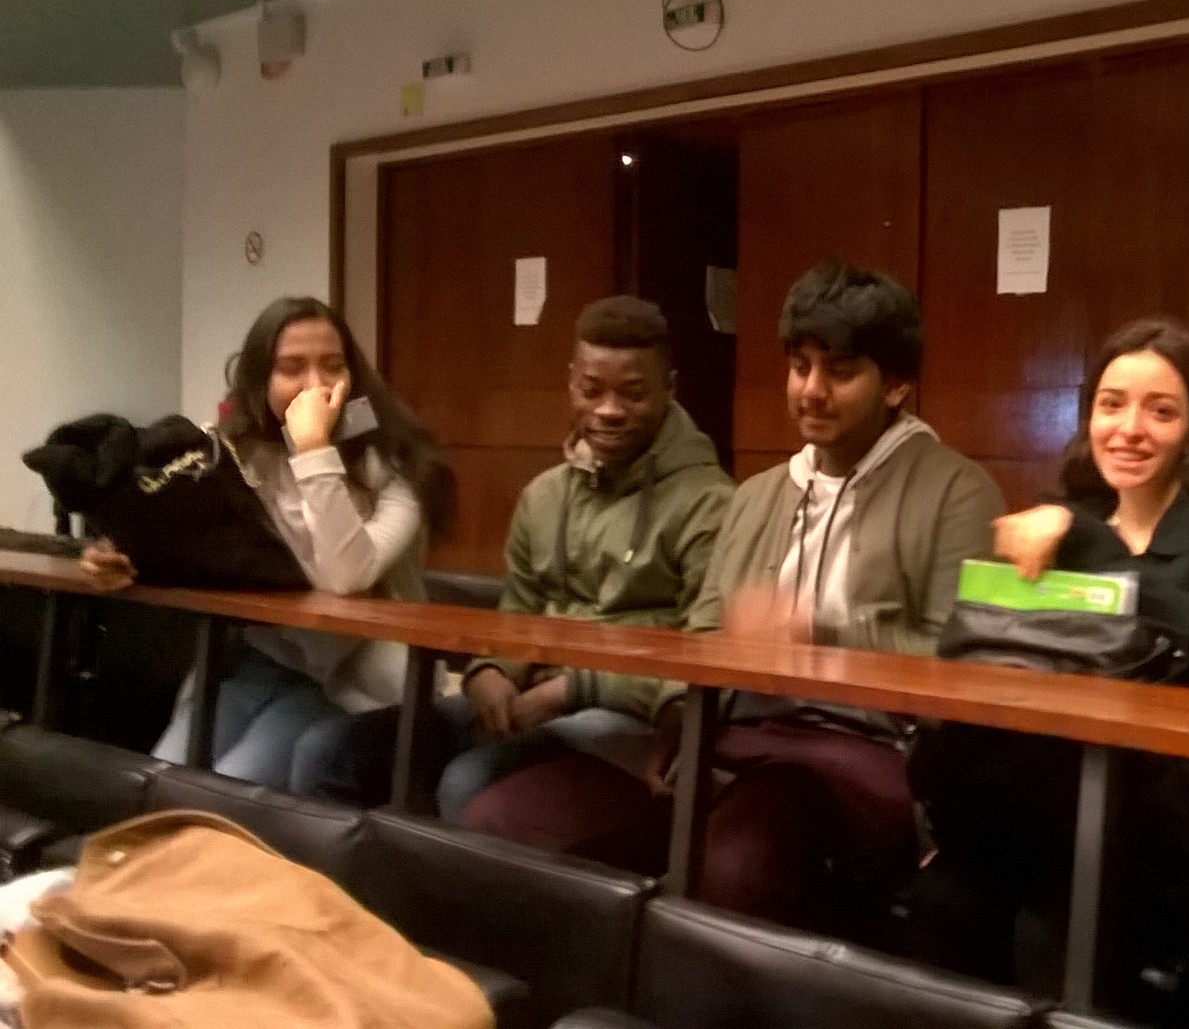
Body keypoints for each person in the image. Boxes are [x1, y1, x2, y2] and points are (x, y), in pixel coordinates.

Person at [910, 318, 1189, 1027]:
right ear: (1089, 416)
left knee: (1057, 911)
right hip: (1077, 804)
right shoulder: (1073, 520)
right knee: (947, 900)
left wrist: (1095, 547)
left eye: (1160, 411)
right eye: (1111, 405)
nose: (1129, 429)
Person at [616, 257, 1002, 932]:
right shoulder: (756, 495)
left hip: (875, 753)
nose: (811, 391)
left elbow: (960, 665)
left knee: (738, 855)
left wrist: (818, 631)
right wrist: (677, 718)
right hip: (738, 736)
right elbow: (703, 629)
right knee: (521, 818)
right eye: (800, 367)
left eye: (840, 372)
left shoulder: (958, 492)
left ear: (897, 384)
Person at [79, 296, 453, 792]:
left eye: (333, 366)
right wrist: (114, 554)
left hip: (349, 682)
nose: (316, 385)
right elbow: (178, 538)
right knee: (157, 779)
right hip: (257, 662)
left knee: (231, 791)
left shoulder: (398, 466)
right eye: (291, 369)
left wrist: (314, 449)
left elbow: (344, 576)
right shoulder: (236, 455)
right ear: (260, 379)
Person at [435, 296, 734, 865]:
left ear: (670, 388)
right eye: (591, 390)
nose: (609, 411)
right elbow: (519, 609)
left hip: (630, 717)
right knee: (353, 755)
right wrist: (491, 668)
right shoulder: (544, 495)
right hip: (537, 693)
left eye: (633, 394)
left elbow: (703, 654)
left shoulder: (710, 503)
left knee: (465, 782)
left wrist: (576, 688)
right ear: (571, 382)